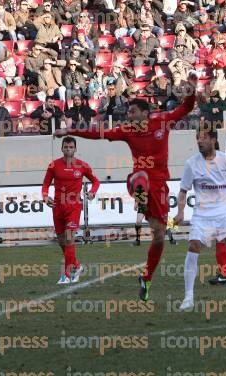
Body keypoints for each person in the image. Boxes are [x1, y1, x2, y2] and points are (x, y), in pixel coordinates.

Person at [53, 72, 197, 302]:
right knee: (141, 175)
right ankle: (140, 199)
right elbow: (98, 133)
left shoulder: (162, 121)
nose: (128, 115)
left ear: (144, 112)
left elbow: (186, 107)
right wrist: (69, 131)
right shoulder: (127, 131)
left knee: (159, 236)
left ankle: (147, 278)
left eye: (132, 112)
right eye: (128, 112)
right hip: (137, 180)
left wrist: (192, 88)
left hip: (159, 186)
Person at [173, 127, 226, 310]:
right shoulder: (191, 164)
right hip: (202, 215)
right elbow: (183, 191)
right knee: (193, 246)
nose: (199, 141)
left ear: (213, 140)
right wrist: (180, 212)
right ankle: (188, 298)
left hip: (225, 213)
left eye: (203, 138)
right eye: (197, 138)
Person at [42, 136, 100, 284]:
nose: (68, 149)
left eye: (71, 147)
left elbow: (95, 181)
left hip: (73, 207)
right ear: (62, 148)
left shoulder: (82, 166)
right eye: (66, 147)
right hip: (57, 207)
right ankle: (78, 266)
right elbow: (45, 184)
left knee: (69, 238)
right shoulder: (53, 165)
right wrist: (45, 196)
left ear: (75, 149)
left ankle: (66, 275)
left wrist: (92, 192)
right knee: (62, 241)